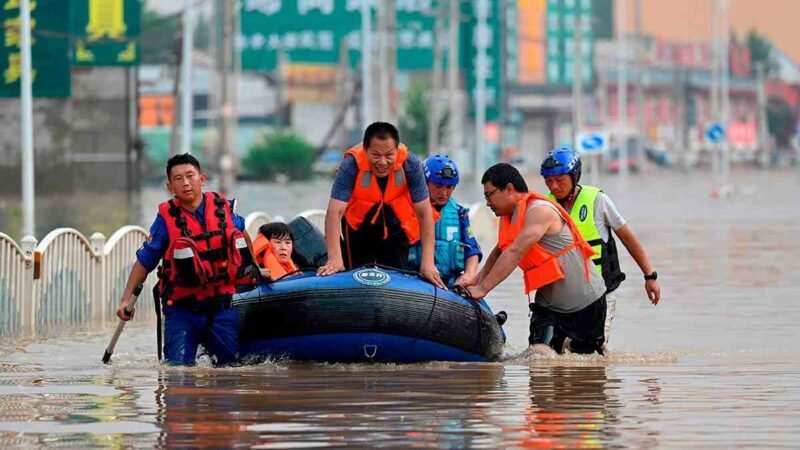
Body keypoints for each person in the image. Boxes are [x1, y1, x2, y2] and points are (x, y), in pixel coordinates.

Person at [115, 153, 258, 366]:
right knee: (178, 374)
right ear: (170, 187)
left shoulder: (223, 211)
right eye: (178, 179)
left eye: (190, 176)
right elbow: (145, 262)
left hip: (221, 308)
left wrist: (255, 268)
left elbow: (243, 233)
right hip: (181, 310)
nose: (186, 183)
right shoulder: (166, 220)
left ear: (202, 179)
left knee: (229, 374)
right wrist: (125, 300)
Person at [459, 163, 607, 355]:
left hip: (586, 303)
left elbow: (515, 252)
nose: (487, 202)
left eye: (489, 195)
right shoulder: (508, 217)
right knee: (538, 358)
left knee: (586, 368)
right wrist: (475, 280)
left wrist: (483, 289)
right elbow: (499, 252)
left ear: (509, 189)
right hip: (548, 306)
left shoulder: (539, 210)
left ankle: (571, 344)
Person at [540, 147, 661, 341]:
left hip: (600, 293)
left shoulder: (598, 201)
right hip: (561, 294)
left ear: (574, 176)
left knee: (593, 356)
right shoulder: (544, 206)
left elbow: (628, 238)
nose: (553, 186)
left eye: (559, 180)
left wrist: (650, 276)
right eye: (548, 181)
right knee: (553, 353)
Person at [317, 121, 445, 289]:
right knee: (355, 274)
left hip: (395, 225)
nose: (383, 162)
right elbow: (335, 212)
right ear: (365, 149)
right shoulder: (351, 165)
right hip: (358, 226)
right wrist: (334, 258)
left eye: (389, 155)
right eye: (376, 155)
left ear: (397, 149)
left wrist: (427, 263)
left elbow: (424, 213)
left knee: (397, 277)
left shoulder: (410, 164)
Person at [408, 155, 482, 285]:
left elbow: (472, 248)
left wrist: (469, 275)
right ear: (424, 182)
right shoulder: (408, 209)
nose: (444, 193)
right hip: (412, 278)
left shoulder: (460, 213)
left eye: (449, 187)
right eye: (438, 186)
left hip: (448, 281)